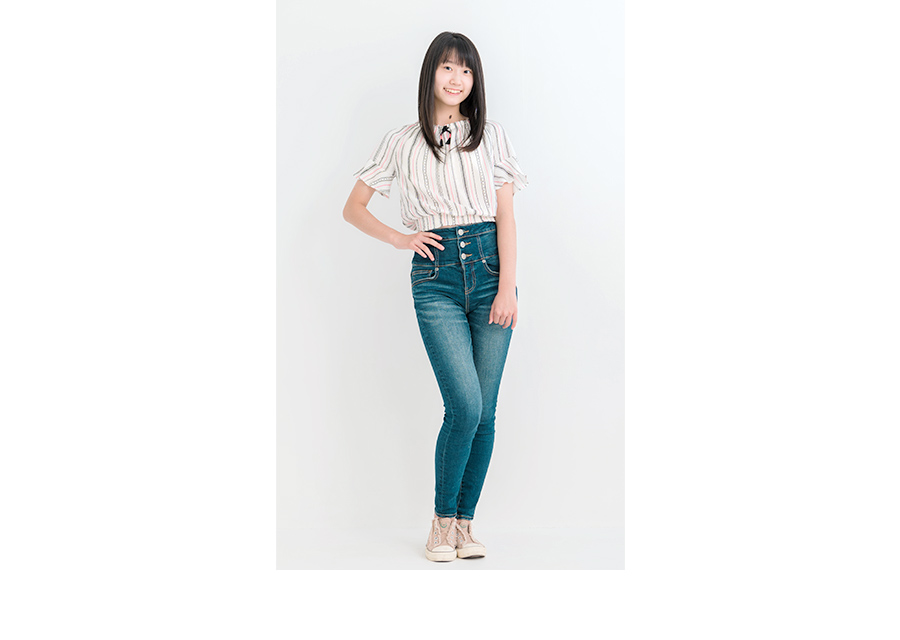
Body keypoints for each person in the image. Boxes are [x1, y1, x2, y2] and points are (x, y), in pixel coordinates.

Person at [342, 31, 528, 562]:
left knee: (484, 412)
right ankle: (440, 523)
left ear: (475, 81)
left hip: (491, 271)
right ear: (431, 73)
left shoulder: (491, 137)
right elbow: (353, 207)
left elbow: (506, 216)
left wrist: (508, 287)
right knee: (464, 405)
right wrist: (400, 238)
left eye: (466, 70)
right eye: (448, 67)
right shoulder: (401, 141)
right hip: (435, 278)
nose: (457, 78)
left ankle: (464, 526)